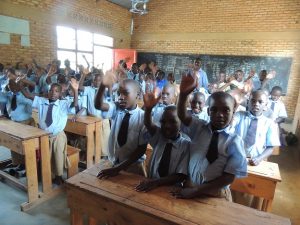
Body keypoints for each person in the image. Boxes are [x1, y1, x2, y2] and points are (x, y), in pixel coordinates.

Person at [171, 73, 247, 200]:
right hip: (190, 187)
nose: (220, 115)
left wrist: (197, 191)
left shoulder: (234, 141)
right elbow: (183, 116)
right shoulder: (199, 127)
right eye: (214, 110)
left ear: (233, 112)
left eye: (225, 110)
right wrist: (183, 95)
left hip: (215, 194)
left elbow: (228, 177)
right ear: (208, 111)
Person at [22, 79, 79, 185]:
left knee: (58, 156)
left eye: (56, 91)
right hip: (44, 136)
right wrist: (20, 85)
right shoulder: (41, 101)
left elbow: (75, 105)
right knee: (45, 156)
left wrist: (75, 90)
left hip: (58, 136)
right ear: (48, 92)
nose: (53, 93)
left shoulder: (63, 104)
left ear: (60, 93)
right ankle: (47, 175)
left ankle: (58, 176)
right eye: (51, 91)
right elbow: (27, 95)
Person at [231, 90, 280, 209]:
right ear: (248, 102)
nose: (256, 104)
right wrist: (235, 107)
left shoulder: (269, 123)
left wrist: (259, 158)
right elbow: (229, 127)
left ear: (266, 106)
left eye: (260, 102)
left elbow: (270, 147)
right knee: (235, 191)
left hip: (257, 162)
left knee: (256, 193)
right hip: (238, 160)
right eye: (253, 101)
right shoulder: (239, 116)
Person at [95, 71, 148, 178]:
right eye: (119, 93)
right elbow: (98, 105)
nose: (120, 97)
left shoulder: (143, 118)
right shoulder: (117, 108)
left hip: (133, 167)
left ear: (137, 95)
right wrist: (103, 85)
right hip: (114, 162)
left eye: (125, 93)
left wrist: (118, 169)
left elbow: (141, 150)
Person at [135, 93, 189, 192]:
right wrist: (148, 109)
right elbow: (148, 123)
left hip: (170, 190)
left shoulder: (185, 146)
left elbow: (180, 175)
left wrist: (156, 182)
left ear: (181, 124)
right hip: (150, 186)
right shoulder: (159, 137)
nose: (167, 126)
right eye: (163, 122)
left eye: (172, 122)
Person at [2, 79, 35, 176]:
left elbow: (31, 106)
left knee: (24, 145)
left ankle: (25, 165)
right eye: (10, 86)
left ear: (19, 86)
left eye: (14, 86)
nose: (12, 88)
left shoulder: (25, 96)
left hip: (25, 122)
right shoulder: (8, 95)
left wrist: (26, 100)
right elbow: (2, 97)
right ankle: (16, 163)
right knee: (14, 143)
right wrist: (6, 88)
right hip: (13, 122)